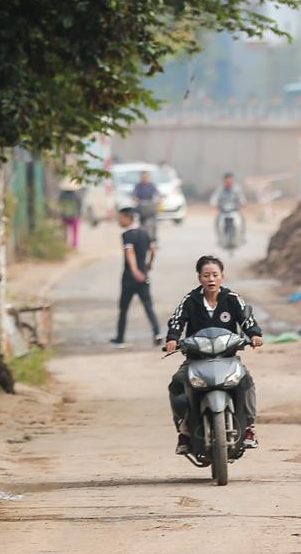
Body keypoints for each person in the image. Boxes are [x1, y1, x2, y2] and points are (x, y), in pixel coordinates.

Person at [163, 255, 263, 455]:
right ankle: (184, 430)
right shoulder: (190, 300)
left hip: (227, 358)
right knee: (176, 385)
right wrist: (173, 338)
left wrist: (254, 335)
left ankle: (249, 427)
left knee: (246, 381)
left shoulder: (232, 299)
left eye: (215, 275)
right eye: (206, 275)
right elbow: (177, 320)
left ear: (222, 277)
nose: (211, 279)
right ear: (199, 277)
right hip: (195, 360)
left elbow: (247, 320)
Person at [112, 207, 158, 346]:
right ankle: (157, 333)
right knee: (148, 306)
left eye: (121, 218)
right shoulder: (144, 232)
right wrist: (149, 265)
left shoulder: (127, 235)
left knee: (124, 308)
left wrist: (134, 270)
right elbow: (153, 250)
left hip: (129, 278)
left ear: (128, 218)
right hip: (144, 276)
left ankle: (120, 339)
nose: (119, 220)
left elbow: (130, 252)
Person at [131, 169, 160, 240]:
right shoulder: (138, 186)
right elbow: (134, 194)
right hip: (141, 208)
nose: (145, 179)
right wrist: (135, 198)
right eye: (143, 177)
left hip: (150, 208)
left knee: (154, 223)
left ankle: (154, 238)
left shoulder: (151, 185)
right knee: (140, 224)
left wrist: (158, 199)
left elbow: (157, 194)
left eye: (146, 177)